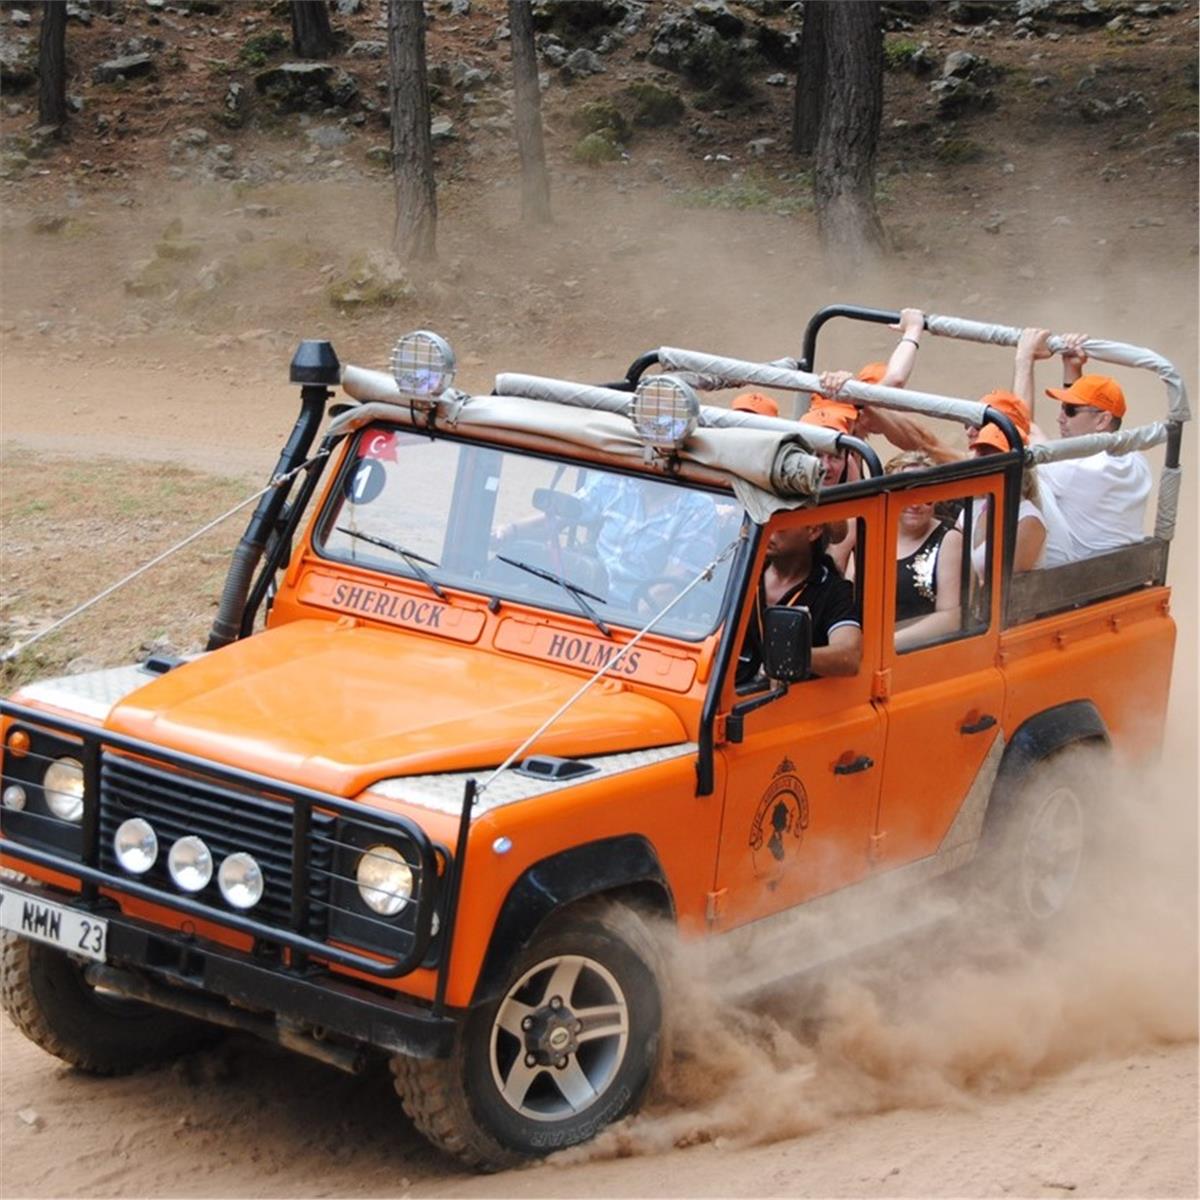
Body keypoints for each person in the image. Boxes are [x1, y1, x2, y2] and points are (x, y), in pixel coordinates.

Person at [1013, 327, 1151, 560]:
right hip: (1121, 571)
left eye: (1070, 410)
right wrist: (1072, 368)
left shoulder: (1076, 469)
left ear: (1102, 420)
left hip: (1072, 579)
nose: (1060, 418)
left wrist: (1024, 358)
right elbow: (1078, 447)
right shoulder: (1135, 458)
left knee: (1021, 472)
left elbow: (1020, 431)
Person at [495, 472, 717, 610]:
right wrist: (509, 531)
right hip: (582, 594)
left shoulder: (698, 508)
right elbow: (559, 517)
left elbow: (670, 585)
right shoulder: (616, 480)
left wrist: (631, 626)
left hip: (633, 612)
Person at [737, 523, 862, 685]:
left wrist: (791, 658)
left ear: (813, 530)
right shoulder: (742, 570)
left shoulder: (834, 590)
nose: (766, 530)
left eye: (779, 524)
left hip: (795, 704)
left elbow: (849, 656)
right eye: (761, 522)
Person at [966, 390, 1072, 572]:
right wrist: (1024, 361)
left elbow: (929, 445)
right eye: (968, 422)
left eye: (978, 424)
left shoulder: (1028, 514)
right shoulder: (976, 505)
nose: (969, 431)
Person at [883, 451, 966, 650]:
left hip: (920, 653)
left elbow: (950, 617)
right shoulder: (873, 531)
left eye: (926, 496)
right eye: (905, 493)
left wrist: (888, 645)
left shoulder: (949, 539)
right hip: (868, 652)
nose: (915, 504)